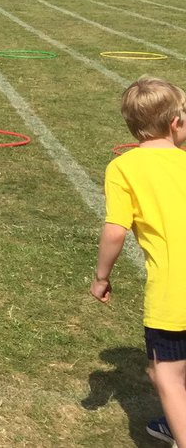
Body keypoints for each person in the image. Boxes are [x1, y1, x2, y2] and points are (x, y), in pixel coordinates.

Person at [92, 77, 186, 446]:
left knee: (167, 376)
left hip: (173, 293)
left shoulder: (123, 168)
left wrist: (101, 277)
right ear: (176, 123)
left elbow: (115, 231)